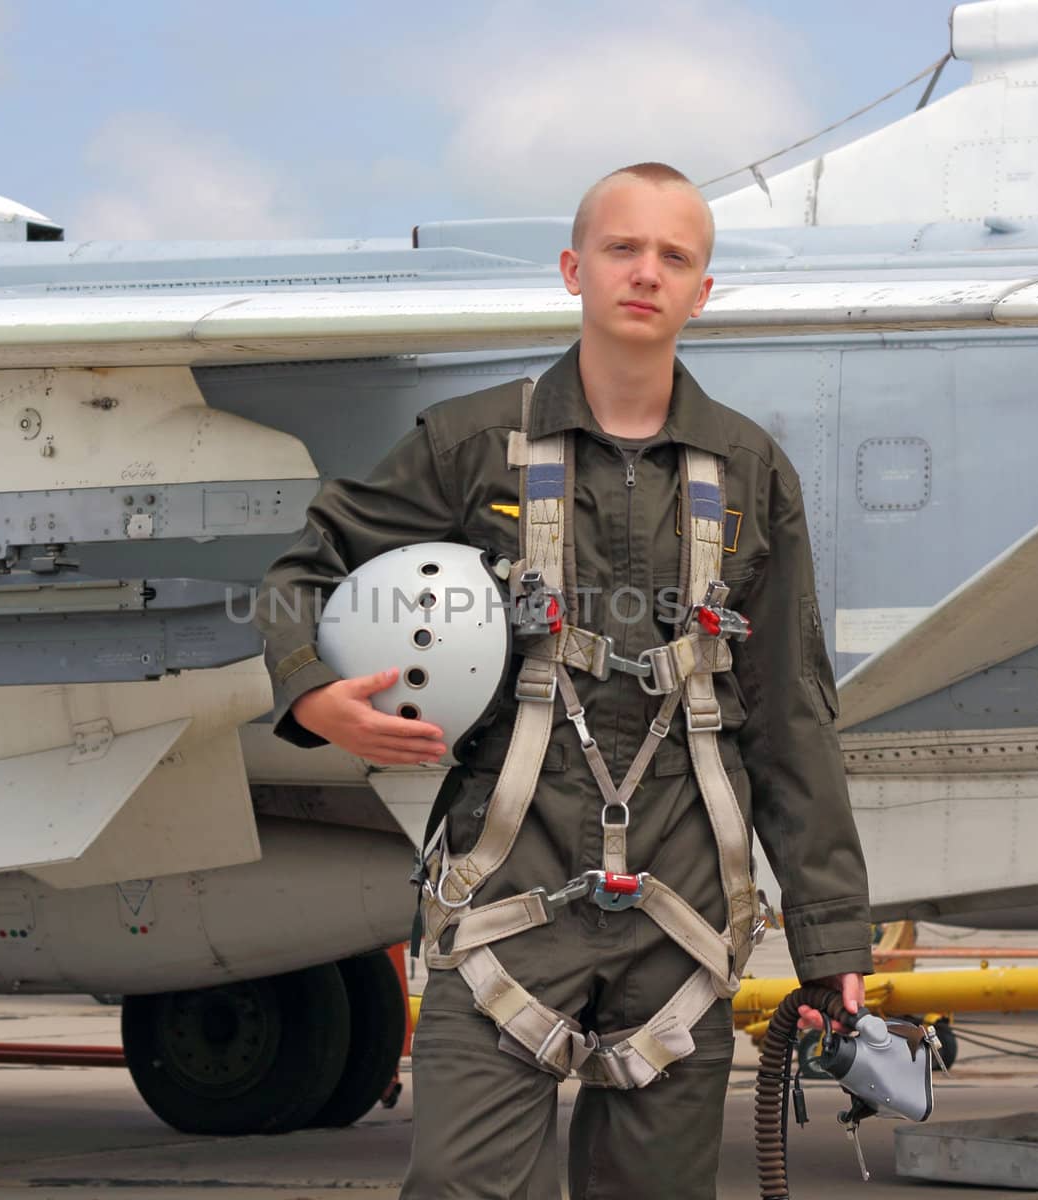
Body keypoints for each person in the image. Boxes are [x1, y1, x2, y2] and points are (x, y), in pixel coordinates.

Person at [254, 163, 873, 1199]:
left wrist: (830, 939)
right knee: (459, 1185)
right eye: (623, 249)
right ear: (572, 269)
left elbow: (789, 715)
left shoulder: (751, 473)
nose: (646, 273)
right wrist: (312, 693)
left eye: (674, 256)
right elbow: (302, 572)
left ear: (701, 291)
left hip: (681, 905)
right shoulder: (467, 446)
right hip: (505, 883)